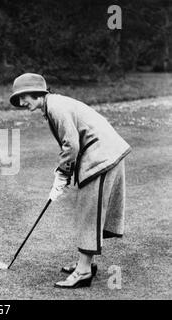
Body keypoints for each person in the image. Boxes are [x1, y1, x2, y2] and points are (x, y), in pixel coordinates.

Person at [9, 73, 131, 288]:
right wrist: (64, 174)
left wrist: (62, 174)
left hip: (102, 156)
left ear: (37, 93)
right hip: (104, 154)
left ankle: (83, 271)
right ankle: (86, 263)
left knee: (88, 212)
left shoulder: (55, 107)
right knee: (88, 211)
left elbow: (71, 145)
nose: (20, 102)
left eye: (23, 96)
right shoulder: (53, 104)